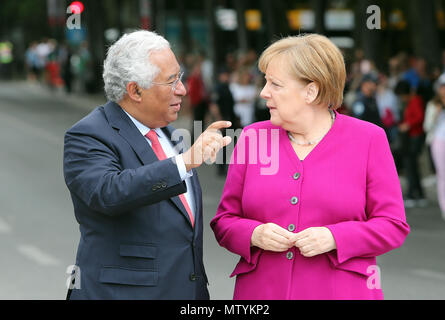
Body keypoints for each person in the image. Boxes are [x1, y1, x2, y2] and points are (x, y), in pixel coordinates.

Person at [210, 34, 410, 300]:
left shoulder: (368, 139)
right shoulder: (253, 137)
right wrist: (254, 234)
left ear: (311, 91)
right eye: (265, 82)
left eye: (275, 84)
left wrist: (334, 237)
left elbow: (393, 225)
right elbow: (224, 221)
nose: (263, 92)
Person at [63, 30, 231, 300]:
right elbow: (108, 192)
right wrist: (184, 162)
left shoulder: (167, 131)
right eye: (171, 81)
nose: (183, 89)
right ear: (135, 90)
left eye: (181, 76)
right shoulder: (89, 134)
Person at [395, 80, 427, 208]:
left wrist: (407, 125)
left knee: (410, 166)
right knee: (411, 166)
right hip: (412, 137)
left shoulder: (415, 100)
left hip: (414, 137)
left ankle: (413, 194)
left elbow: (419, 117)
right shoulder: (412, 101)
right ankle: (418, 193)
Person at [423, 74, 445, 221]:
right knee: (443, 174)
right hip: (439, 141)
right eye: (442, 87)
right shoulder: (433, 105)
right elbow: (427, 126)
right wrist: (437, 113)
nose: (444, 90)